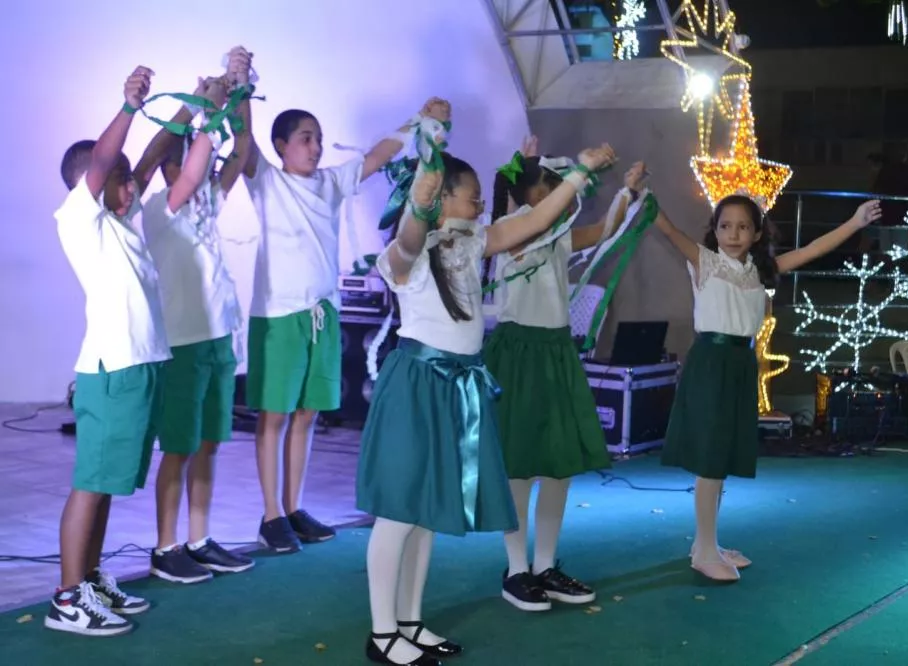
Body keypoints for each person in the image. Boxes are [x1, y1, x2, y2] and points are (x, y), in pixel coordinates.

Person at [356, 131, 617, 665]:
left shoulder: (475, 241)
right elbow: (410, 231)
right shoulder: (409, 252)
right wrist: (426, 173)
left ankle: (410, 622)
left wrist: (580, 172)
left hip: (458, 384)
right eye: (470, 193)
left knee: (425, 514)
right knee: (400, 512)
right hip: (418, 383)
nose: (479, 202)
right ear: (440, 196)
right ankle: (383, 634)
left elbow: (537, 219)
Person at [241, 86, 451, 552]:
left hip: (322, 313)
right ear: (281, 146)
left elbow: (377, 156)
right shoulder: (266, 180)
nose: (314, 147)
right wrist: (239, 86)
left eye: (317, 138)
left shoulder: (331, 182)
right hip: (279, 315)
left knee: (306, 414)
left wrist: (418, 121)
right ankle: (271, 514)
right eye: (304, 138)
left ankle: (293, 508)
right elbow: (243, 141)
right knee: (274, 416)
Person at [656, 194, 881, 583]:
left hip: (741, 364)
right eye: (725, 225)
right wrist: (639, 194)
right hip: (711, 363)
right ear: (714, 229)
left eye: (743, 226)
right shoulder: (704, 262)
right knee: (710, 458)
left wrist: (855, 222)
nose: (733, 233)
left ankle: (706, 544)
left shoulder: (760, 270)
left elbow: (812, 249)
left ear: (757, 233)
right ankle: (704, 549)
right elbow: (669, 229)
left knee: (721, 456)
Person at [484, 137, 646, 611]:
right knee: (519, 465)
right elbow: (544, 223)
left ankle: (545, 565)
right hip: (518, 354)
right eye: (551, 185)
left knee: (557, 465)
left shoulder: (554, 233)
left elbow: (602, 232)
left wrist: (627, 195)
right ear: (531, 194)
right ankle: (515, 569)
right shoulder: (512, 228)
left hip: (555, 352)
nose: (563, 194)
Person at [48, 66, 173, 636]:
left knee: (109, 484)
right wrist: (127, 106)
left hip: (141, 366)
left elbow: (143, 161)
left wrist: (196, 107)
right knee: (92, 482)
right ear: (91, 185)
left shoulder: (123, 224)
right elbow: (106, 162)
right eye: (119, 180)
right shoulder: (81, 219)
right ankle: (67, 598)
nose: (132, 185)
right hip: (111, 370)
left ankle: (90, 578)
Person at [144, 48, 256, 583]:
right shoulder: (158, 209)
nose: (201, 163)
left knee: (209, 443)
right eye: (186, 156)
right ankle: (166, 548)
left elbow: (241, 153)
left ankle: (199, 537)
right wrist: (203, 108)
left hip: (217, 341)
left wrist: (240, 88)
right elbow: (187, 166)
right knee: (180, 448)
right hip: (184, 344)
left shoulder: (208, 198)